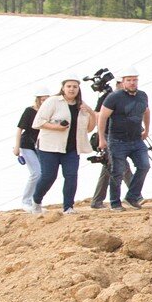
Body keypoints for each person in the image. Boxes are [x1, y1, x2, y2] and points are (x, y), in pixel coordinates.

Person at [32, 76, 98, 214]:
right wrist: (57, 127)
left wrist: (91, 112)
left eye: (75, 86)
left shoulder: (81, 105)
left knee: (71, 175)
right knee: (49, 176)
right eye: (69, 86)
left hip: (72, 148)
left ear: (78, 89)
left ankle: (68, 207)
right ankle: (36, 200)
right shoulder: (53, 101)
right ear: (63, 88)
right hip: (50, 147)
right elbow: (37, 122)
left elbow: (90, 128)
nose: (72, 89)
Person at [98, 66, 152, 211]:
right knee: (117, 171)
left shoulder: (142, 95)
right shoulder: (114, 97)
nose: (132, 83)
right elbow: (102, 116)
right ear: (123, 82)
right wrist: (102, 138)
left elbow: (146, 112)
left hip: (136, 140)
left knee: (144, 166)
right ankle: (115, 203)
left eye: (135, 80)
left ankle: (132, 197)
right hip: (117, 140)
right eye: (129, 80)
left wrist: (146, 129)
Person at [90, 74, 134, 209]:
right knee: (120, 163)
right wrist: (101, 137)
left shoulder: (129, 98)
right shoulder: (107, 97)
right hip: (109, 135)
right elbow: (98, 115)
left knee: (109, 166)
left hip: (121, 135)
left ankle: (97, 201)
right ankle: (135, 194)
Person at [13, 86, 50, 212]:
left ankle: (36, 202)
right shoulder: (30, 111)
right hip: (27, 145)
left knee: (45, 174)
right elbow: (19, 129)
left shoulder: (49, 112)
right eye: (42, 99)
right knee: (36, 173)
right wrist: (16, 147)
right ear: (38, 100)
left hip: (42, 146)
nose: (44, 102)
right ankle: (26, 201)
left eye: (47, 99)